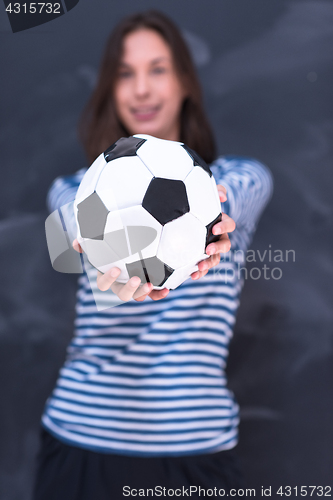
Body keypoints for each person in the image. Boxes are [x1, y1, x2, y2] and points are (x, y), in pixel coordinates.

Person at [33, 10, 273, 500]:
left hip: (197, 456)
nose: (141, 88)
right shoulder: (74, 189)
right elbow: (67, 221)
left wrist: (207, 212)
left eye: (158, 69)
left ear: (186, 81)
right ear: (110, 89)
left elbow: (242, 190)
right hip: (81, 443)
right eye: (125, 73)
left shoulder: (238, 177)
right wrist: (99, 250)